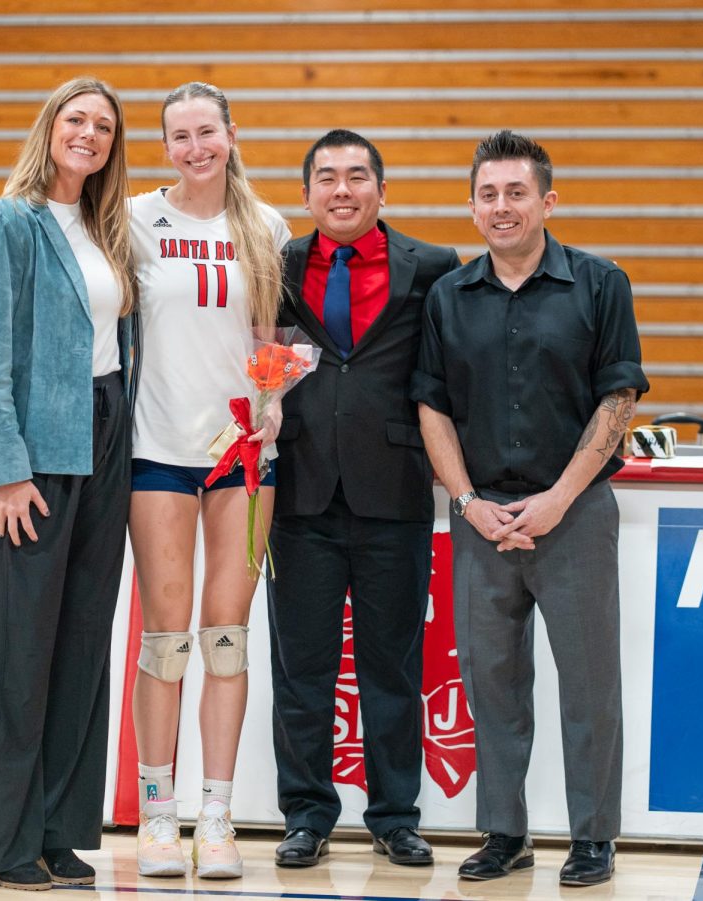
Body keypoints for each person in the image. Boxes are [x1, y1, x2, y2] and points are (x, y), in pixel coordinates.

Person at [412, 130, 648, 887]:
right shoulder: (449, 295)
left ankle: (592, 837)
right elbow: (432, 407)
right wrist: (468, 501)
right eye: (488, 194)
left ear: (548, 200)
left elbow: (619, 399)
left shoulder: (600, 282)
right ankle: (504, 831)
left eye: (517, 193)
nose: (501, 207)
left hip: (572, 516)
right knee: (492, 685)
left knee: (588, 684)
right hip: (482, 522)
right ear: (472, 205)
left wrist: (557, 498)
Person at [0, 76, 136, 892]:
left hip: (107, 441)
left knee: (80, 651)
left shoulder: (108, 228)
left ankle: (62, 832)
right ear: (51, 126)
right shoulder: (7, 222)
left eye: (104, 125)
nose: (90, 134)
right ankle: (6, 840)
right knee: (20, 653)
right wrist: (7, 469)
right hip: (33, 454)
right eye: (77, 119)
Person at [266, 129, 459, 870]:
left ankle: (395, 815)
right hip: (301, 493)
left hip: (396, 493)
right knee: (302, 669)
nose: (340, 190)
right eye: (326, 178)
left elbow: (449, 373)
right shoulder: (277, 263)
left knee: (393, 668)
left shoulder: (434, 267)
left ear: (382, 188)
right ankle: (306, 814)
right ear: (307, 193)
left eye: (355, 176)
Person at [128, 81, 290, 880]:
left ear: (230, 133)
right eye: (179, 136)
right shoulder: (131, 219)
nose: (195, 148)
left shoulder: (264, 226)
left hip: (240, 457)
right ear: (165, 148)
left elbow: (270, 337)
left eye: (207, 132)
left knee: (226, 636)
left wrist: (274, 400)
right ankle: (158, 815)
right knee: (165, 639)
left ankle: (216, 816)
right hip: (156, 447)